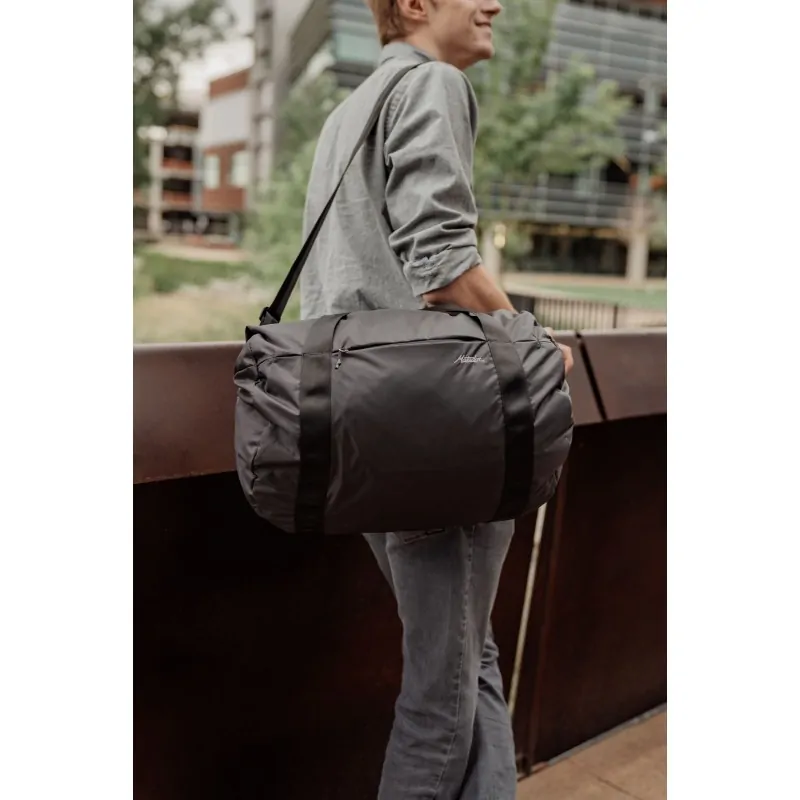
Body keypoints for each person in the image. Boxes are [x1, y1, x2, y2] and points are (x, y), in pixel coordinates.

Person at [300, 1, 573, 797]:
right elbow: (443, 262)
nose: (494, 4)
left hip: (359, 427)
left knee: (464, 659)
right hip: (435, 427)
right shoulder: (433, 84)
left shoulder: (350, 112)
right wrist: (525, 339)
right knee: (439, 696)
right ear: (416, 4)